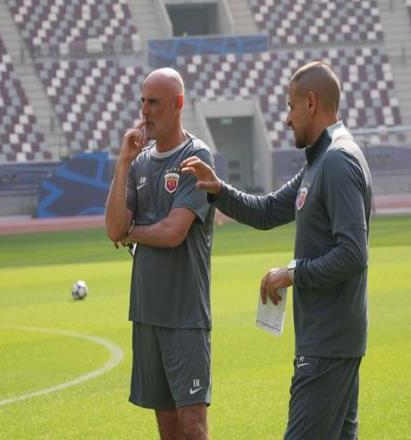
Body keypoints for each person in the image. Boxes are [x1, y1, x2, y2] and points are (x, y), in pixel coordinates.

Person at [181, 61, 372, 439]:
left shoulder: (337, 160)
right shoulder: (321, 160)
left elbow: (354, 253)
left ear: (311, 103)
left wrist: (292, 274)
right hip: (331, 340)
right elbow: (268, 211)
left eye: (290, 106)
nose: (287, 119)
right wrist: (218, 190)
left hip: (327, 343)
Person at [105, 67, 215, 440]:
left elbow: (173, 232)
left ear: (178, 103)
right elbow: (113, 228)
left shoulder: (195, 156)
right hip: (147, 313)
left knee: (193, 425)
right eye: (143, 101)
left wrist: (132, 233)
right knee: (167, 427)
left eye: (153, 102)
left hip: (184, 314)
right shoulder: (138, 162)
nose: (145, 110)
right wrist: (122, 163)